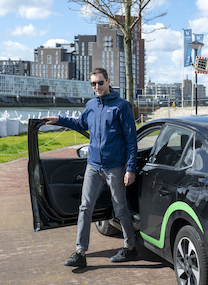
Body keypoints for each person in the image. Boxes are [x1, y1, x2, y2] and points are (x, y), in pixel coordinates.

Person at [43, 68, 138, 268]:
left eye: (100, 83)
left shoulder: (122, 106)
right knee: (85, 207)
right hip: (93, 165)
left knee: (120, 208)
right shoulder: (91, 105)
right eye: (93, 84)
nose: (97, 87)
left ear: (108, 81)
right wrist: (59, 120)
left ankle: (130, 247)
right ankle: (80, 252)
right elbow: (80, 124)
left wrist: (130, 169)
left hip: (115, 168)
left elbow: (131, 140)